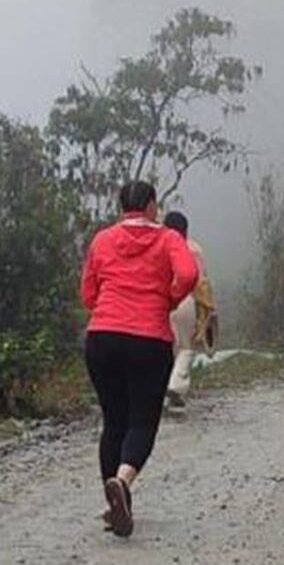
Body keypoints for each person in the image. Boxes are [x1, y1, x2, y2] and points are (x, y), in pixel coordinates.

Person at [80, 181, 199, 537]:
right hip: (148, 338)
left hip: (102, 337)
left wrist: (105, 306)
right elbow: (190, 274)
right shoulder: (167, 238)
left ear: (121, 207)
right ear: (151, 206)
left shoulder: (103, 239)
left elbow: (87, 292)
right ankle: (122, 481)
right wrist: (169, 298)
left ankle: (112, 500)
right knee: (143, 420)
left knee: (113, 420)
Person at [162, 212, 218, 409]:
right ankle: (176, 385)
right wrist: (209, 309)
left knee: (166, 347)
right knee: (186, 347)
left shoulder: (158, 246)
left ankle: (162, 388)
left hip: (161, 302)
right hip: (186, 301)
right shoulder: (194, 249)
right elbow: (202, 282)